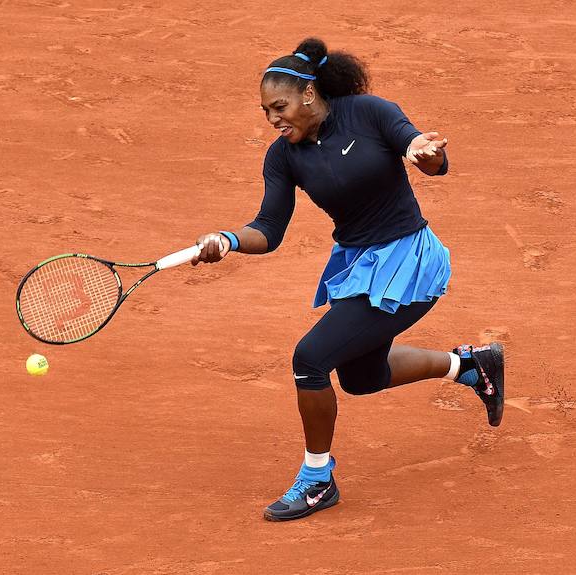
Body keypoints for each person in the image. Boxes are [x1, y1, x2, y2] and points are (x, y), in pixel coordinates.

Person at [191, 37, 504, 522]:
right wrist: (228, 240)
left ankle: (317, 480)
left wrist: (427, 153)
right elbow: (268, 230)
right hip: (360, 266)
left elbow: (425, 154)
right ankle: (469, 366)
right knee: (361, 377)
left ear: (309, 95)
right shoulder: (283, 157)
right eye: (266, 112)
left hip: (410, 262)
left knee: (310, 358)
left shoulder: (369, 112)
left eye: (280, 106)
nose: (273, 119)